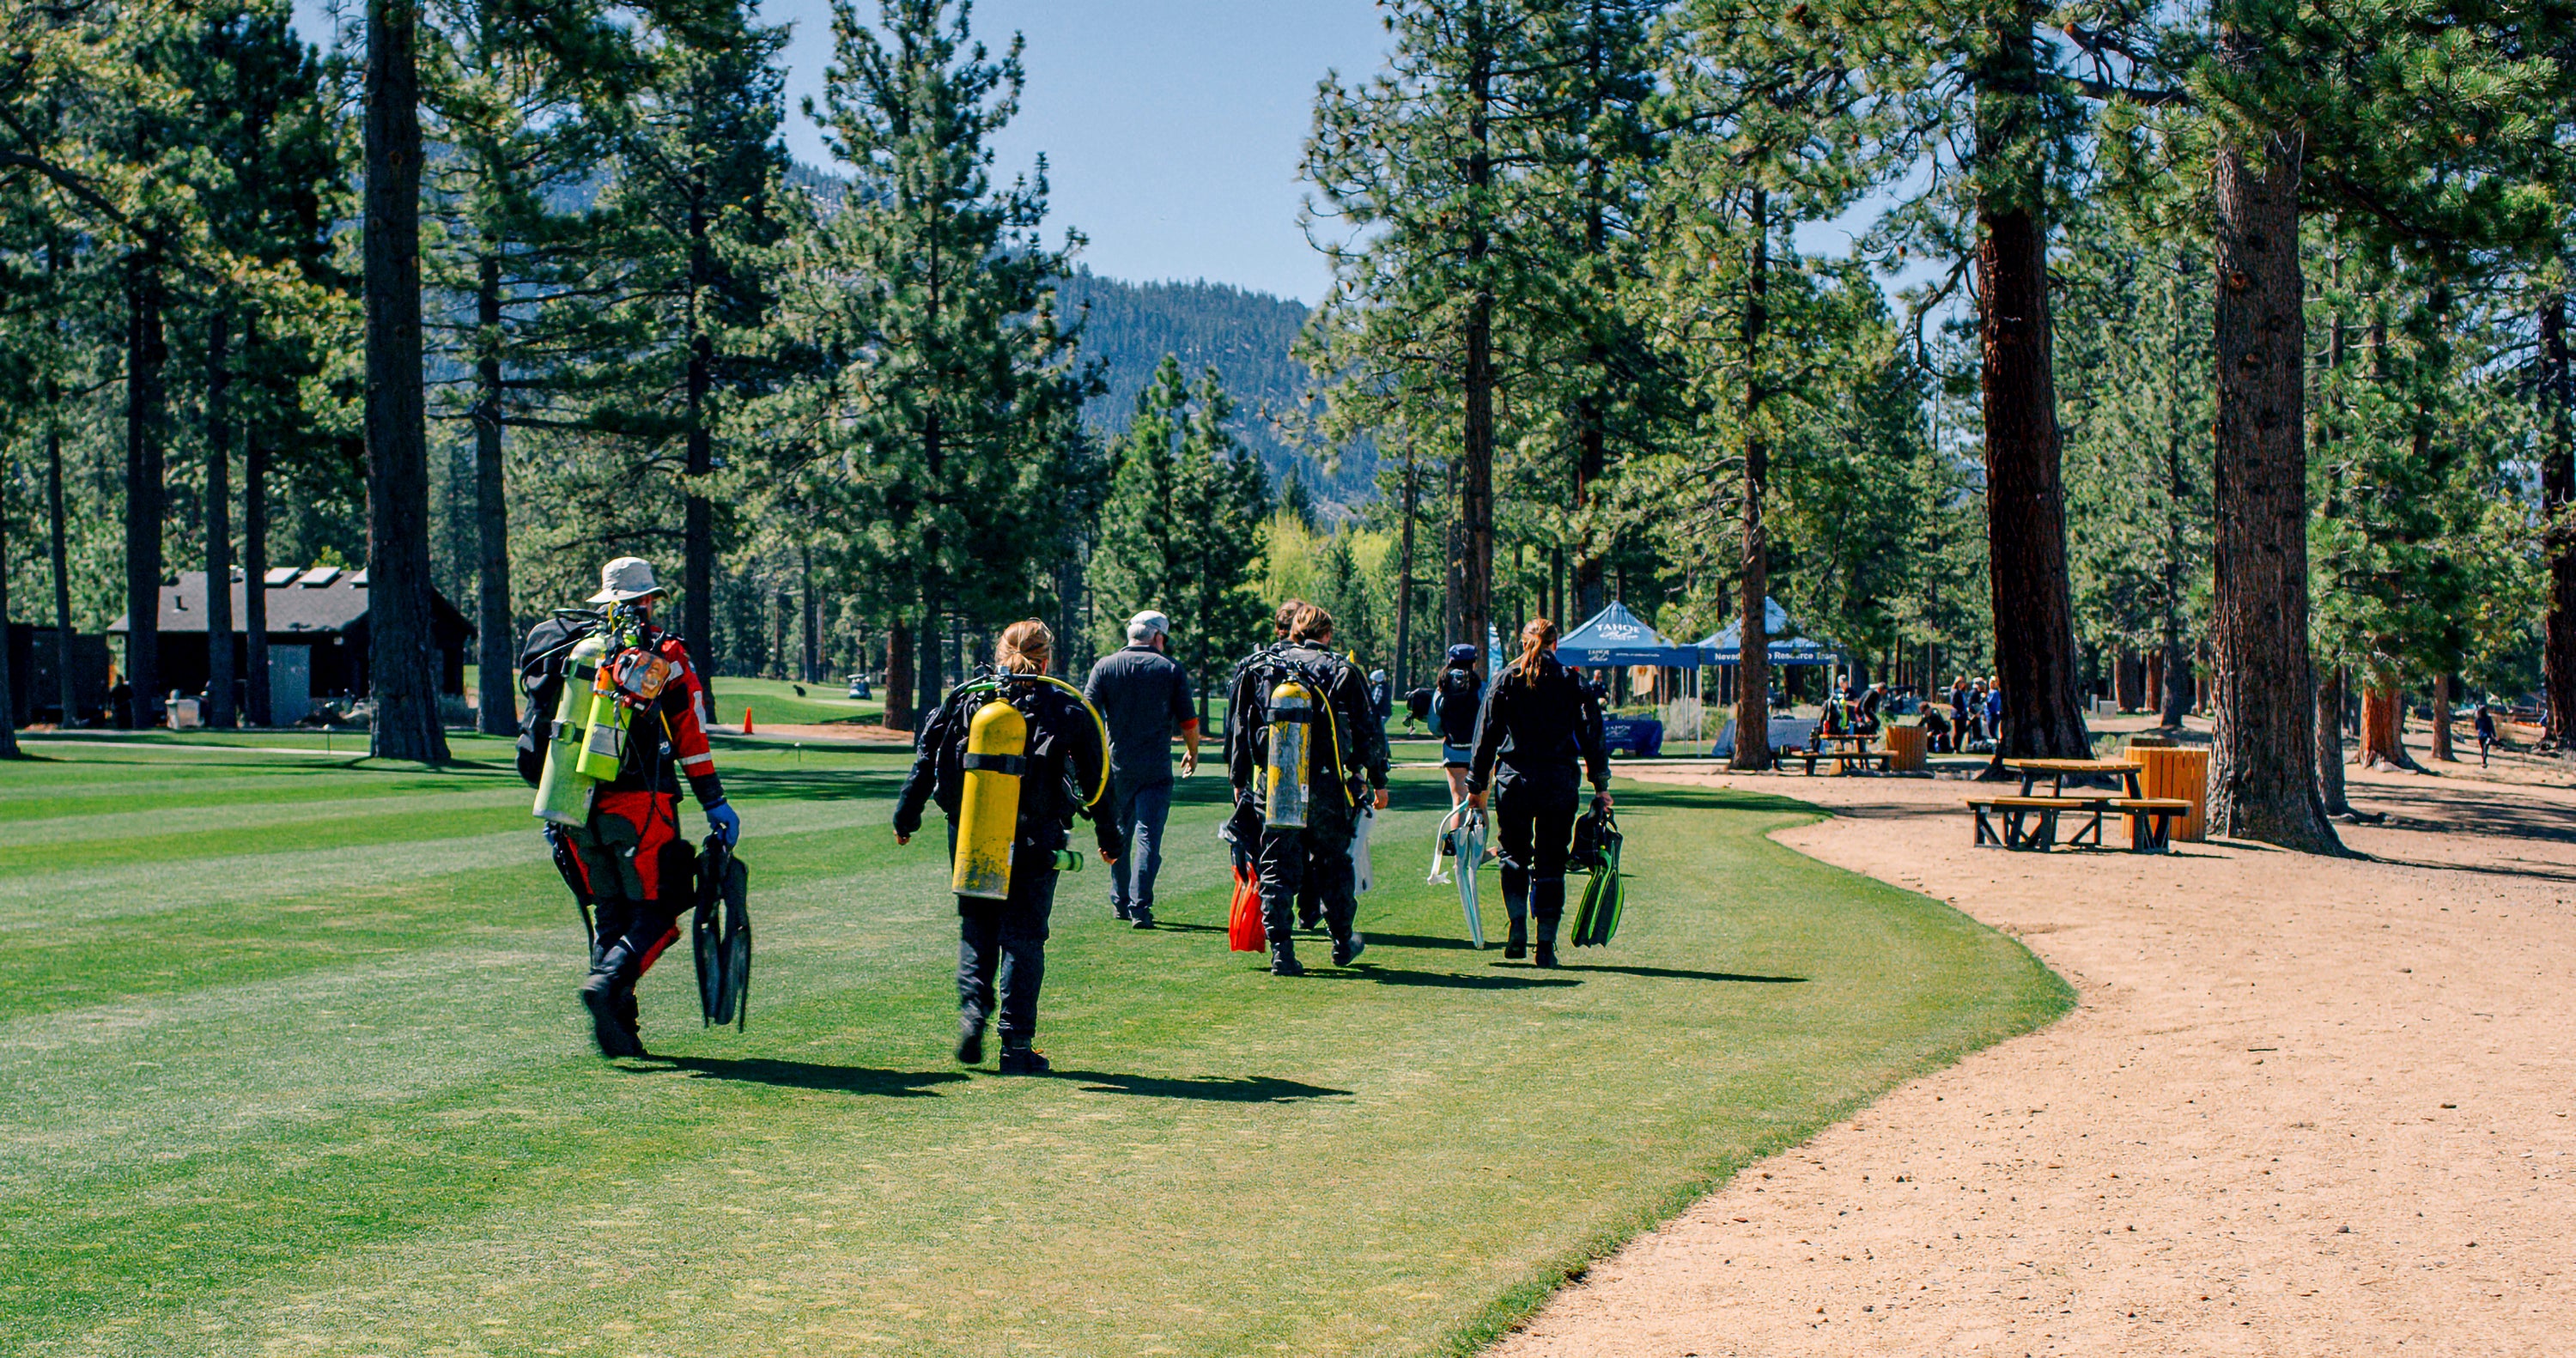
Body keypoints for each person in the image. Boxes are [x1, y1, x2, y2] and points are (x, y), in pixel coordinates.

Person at [538, 556, 741, 1059]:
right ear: (647, 600)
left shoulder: (574, 649)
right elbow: (689, 734)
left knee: (611, 912)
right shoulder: (663, 654)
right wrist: (714, 801)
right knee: (660, 909)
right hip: (638, 806)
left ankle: (622, 1032)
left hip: (571, 806)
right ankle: (606, 988)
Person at [894, 621, 1115, 1074]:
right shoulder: (1064, 705)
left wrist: (907, 816)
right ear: (1046, 659)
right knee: (1025, 936)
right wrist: (1110, 837)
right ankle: (1016, 1046)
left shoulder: (967, 698)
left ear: (999, 653)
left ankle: (974, 1014)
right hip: (1037, 839)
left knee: (978, 930)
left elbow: (927, 758)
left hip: (974, 834)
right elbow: (1095, 780)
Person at [1230, 603, 1390, 975]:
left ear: (1292, 631)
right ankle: (1342, 941)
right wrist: (1378, 780)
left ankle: (1282, 951)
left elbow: (1240, 730)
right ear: (1327, 634)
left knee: (1276, 866)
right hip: (1326, 785)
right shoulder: (1341, 670)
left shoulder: (1260, 668)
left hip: (1272, 785)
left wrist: (1238, 782)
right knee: (1334, 864)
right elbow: (1369, 731)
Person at [1465, 619, 1609, 967]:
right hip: (1558, 780)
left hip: (1514, 780)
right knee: (1552, 859)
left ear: (1522, 643)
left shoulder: (1506, 680)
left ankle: (1517, 927)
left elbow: (1485, 736)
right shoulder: (1574, 682)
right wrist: (1601, 786)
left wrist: (1475, 785)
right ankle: (1545, 944)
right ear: (1555, 645)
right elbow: (1592, 736)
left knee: (1513, 854)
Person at [1082, 609, 1200, 929]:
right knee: (1149, 838)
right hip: (1156, 768)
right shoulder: (1170, 668)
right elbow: (1188, 720)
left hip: (1116, 766)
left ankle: (1120, 901)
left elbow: (1088, 715)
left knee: (1118, 834)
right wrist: (1193, 751)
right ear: (1158, 638)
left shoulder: (1105, 666)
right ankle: (1140, 906)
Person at [1432, 644, 1484, 809]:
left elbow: (1434, 726)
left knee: (1459, 802)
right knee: (1480, 805)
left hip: (1453, 751)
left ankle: (1456, 835)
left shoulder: (1442, 688)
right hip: (1480, 752)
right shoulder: (1481, 687)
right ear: (1473, 662)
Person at [2475, 702, 2497, 767]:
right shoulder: (2488, 718)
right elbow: (2492, 727)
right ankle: (2484, 761)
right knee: (2485, 749)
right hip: (2487, 736)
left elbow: (2476, 728)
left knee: (2483, 749)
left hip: (2480, 736)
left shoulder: (2477, 719)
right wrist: (2495, 736)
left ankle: (2484, 761)